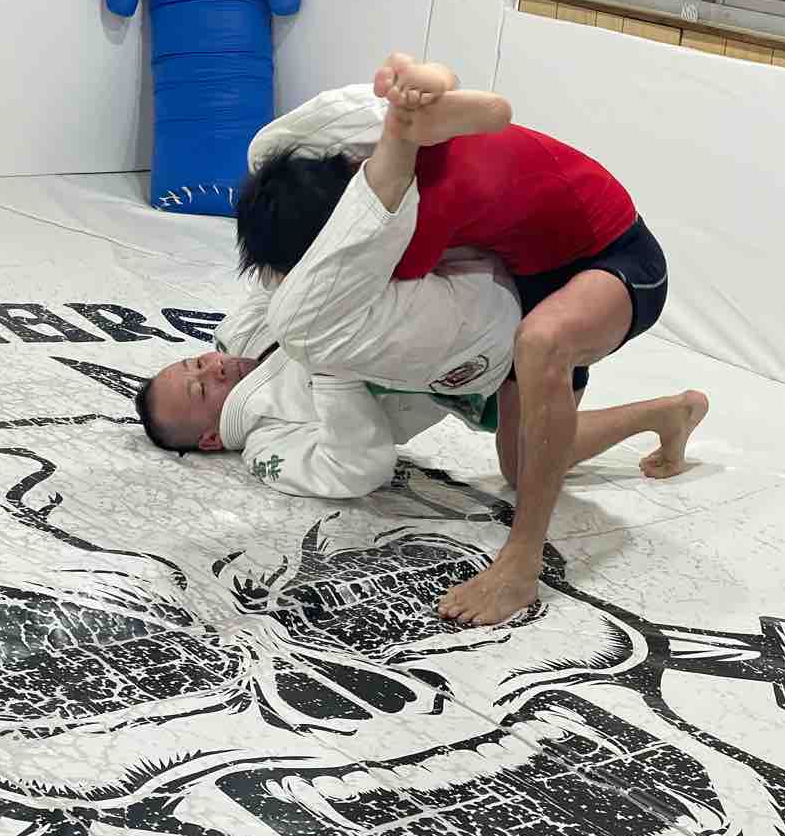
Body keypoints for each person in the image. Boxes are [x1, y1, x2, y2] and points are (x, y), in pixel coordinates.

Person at [135, 72, 708, 565]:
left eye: (194, 364)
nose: (211, 369)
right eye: (201, 389)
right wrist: (330, 365)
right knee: (522, 464)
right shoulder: (268, 441)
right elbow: (354, 466)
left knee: (541, 343)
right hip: (508, 292)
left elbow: (285, 280)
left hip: (613, 259)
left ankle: (522, 558)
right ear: (212, 437)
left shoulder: (240, 334)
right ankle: (665, 413)